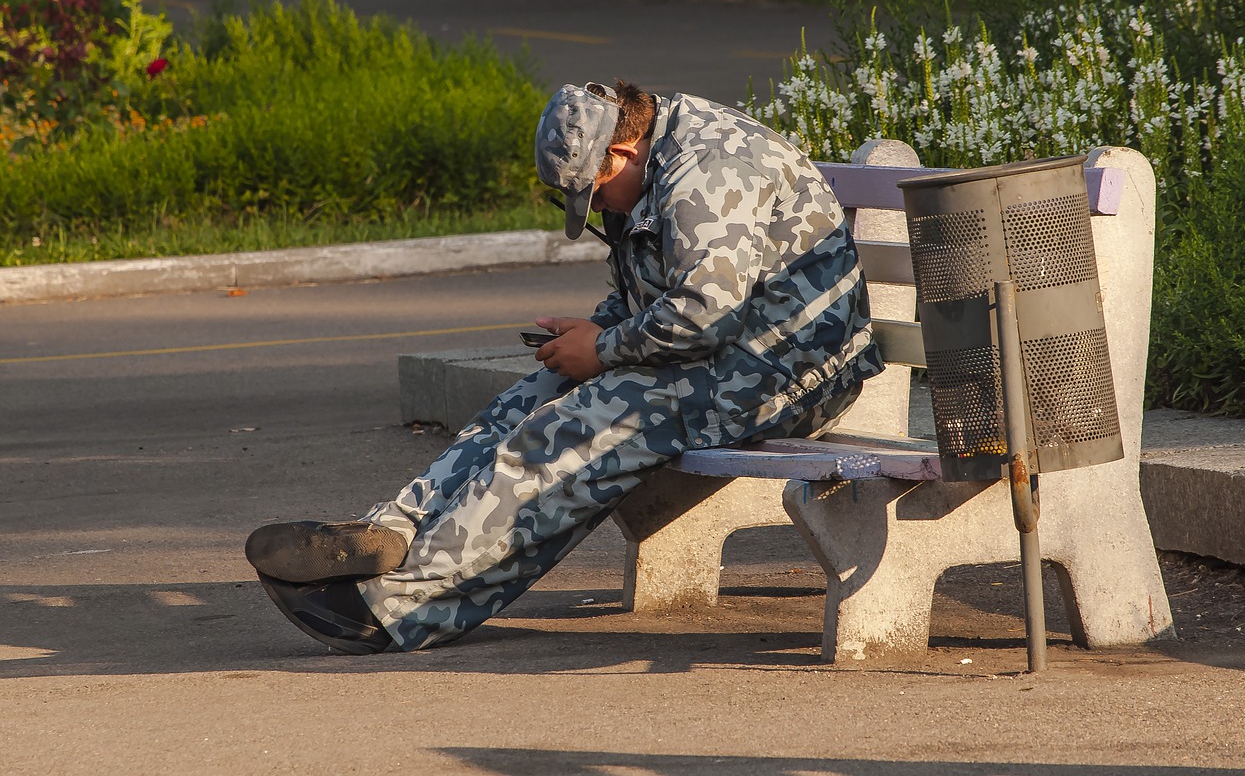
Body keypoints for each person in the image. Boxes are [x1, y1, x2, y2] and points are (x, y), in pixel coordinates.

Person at [244, 80, 884, 654]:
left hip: (789, 371)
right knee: (533, 397)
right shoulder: (653, 155)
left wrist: (604, 350)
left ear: (622, 151)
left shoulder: (708, 172)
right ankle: (389, 534)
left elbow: (703, 313)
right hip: (728, 355)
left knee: (570, 431)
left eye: (595, 191)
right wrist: (599, 329)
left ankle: (395, 606)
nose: (599, 210)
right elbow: (653, 293)